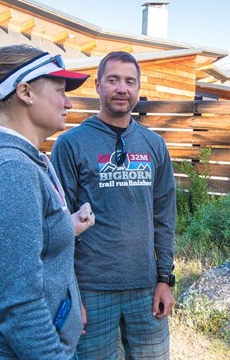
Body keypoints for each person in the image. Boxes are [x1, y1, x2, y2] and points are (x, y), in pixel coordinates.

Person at [0, 44, 95, 359]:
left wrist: (64, 226)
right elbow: (18, 303)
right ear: (25, 92)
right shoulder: (11, 170)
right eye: (59, 90)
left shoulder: (20, 161)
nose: (68, 102)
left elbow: (24, 248)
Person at [50, 51, 176, 359]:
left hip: (145, 287)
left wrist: (164, 279)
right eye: (113, 80)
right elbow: (58, 223)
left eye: (130, 81)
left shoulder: (154, 144)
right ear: (97, 85)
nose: (122, 88)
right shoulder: (70, 144)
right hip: (91, 289)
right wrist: (69, 294)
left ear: (138, 88)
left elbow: (164, 216)